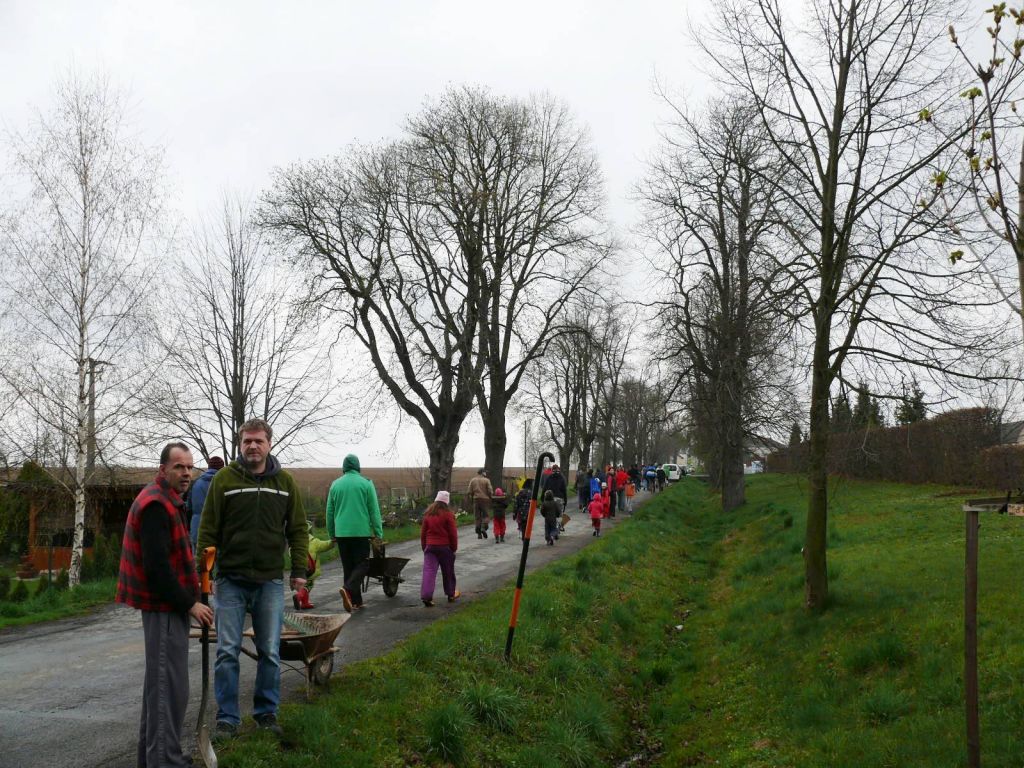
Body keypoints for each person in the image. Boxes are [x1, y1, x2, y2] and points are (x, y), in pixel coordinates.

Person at [197, 418, 308, 740]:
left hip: (269, 580)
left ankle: (266, 714)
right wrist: (203, 573)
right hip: (230, 579)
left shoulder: (285, 483)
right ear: (240, 444)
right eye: (247, 441)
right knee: (227, 651)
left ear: (269, 444)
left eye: (259, 441)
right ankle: (227, 719)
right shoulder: (224, 480)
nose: (253, 446)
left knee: (270, 650)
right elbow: (208, 529)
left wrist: (299, 570)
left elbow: (298, 529)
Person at [116, 442, 214, 768]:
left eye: (189, 467)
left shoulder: (169, 500)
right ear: (163, 469)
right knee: (167, 690)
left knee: (161, 688)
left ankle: (154, 759)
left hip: (169, 606)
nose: (186, 473)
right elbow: (157, 569)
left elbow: (173, 559)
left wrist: (196, 590)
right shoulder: (156, 505)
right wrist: (191, 605)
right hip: (163, 609)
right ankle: (165, 761)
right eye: (179, 467)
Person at [326, 453, 384, 613]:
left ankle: (355, 601)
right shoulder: (366, 484)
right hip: (360, 532)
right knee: (363, 564)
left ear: (344, 467)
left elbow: (329, 512)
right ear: (358, 467)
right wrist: (378, 532)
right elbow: (374, 510)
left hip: (341, 533)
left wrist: (331, 533)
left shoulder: (335, 485)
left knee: (348, 567)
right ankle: (348, 589)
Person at [419, 491, 460, 606]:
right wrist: (453, 548)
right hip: (445, 547)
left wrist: (424, 547)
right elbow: (453, 534)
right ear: (447, 502)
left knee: (429, 571)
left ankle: (427, 597)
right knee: (448, 571)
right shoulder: (448, 515)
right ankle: (451, 594)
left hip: (430, 547)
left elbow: (423, 534)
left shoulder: (428, 514)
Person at [293, 525, 334, 610]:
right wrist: (332, 541)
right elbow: (325, 545)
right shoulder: (314, 542)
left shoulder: (295, 543)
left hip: (298, 570)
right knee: (308, 586)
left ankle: (305, 603)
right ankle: (299, 596)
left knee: (302, 584)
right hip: (310, 570)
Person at [188, 455, 224, 549]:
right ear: (222, 468)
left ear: (209, 467)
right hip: (218, 532)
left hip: (197, 529)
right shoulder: (224, 483)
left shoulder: (195, 483)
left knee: (198, 557)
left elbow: (189, 508)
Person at [467, 468, 493, 539]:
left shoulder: (473, 480)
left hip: (476, 499)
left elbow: (469, 491)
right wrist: (491, 497)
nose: (486, 473)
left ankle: (479, 534)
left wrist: (472, 498)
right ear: (482, 473)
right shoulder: (486, 480)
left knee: (477, 516)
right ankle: (483, 528)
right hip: (485, 500)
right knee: (486, 515)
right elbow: (490, 490)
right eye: (485, 472)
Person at [543, 464, 568, 530]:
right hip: (559, 499)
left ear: (552, 470)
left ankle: (554, 527)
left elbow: (544, 488)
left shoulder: (549, 478)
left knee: (551, 514)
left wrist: (542, 498)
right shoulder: (562, 478)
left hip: (550, 499)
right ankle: (560, 526)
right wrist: (565, 500)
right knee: (560, 514)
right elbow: (564, 490)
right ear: (558, 470)